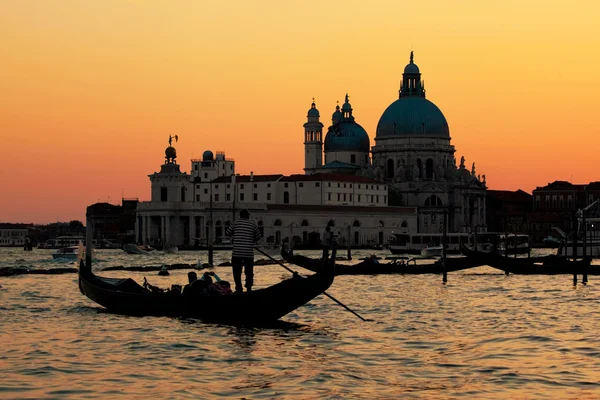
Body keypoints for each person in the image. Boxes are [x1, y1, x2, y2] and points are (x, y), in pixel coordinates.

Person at [225, 209, 261, 293]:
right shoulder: (253, 224)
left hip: (237, 252)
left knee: (237, 272)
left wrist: (236, 234)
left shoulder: (235, 223)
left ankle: (238, 288)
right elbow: (258, 236)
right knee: (249, 272)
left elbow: (228, 232)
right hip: (248, 252)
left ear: (240, 215)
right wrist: (252, 240)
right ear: (248, 216)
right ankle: (248, 288)